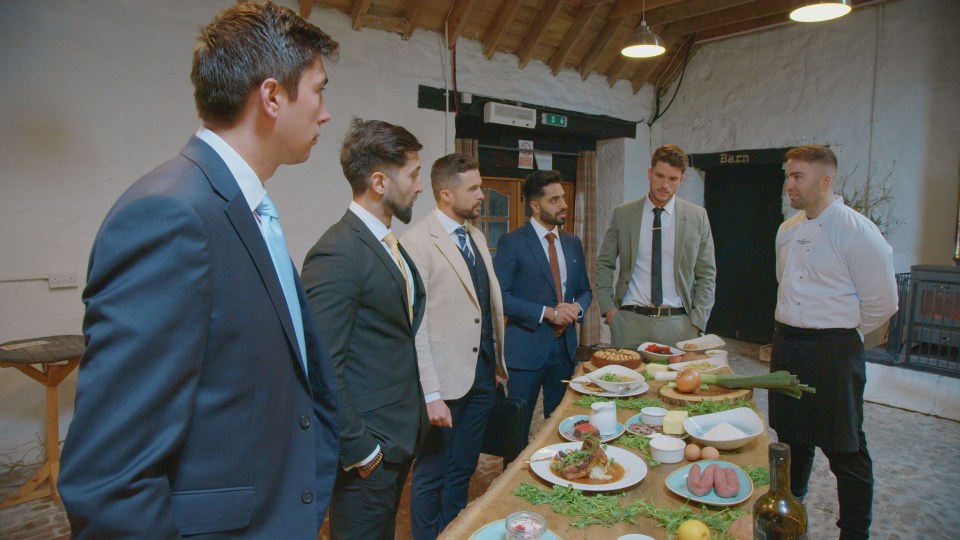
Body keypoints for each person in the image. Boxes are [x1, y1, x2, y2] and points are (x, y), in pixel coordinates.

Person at [58, 3, 340, 538]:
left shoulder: (240, 204)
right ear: (273, 97)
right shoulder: (171, 215)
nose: (325, 113)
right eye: (319, 90)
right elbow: (111, 476)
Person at [302, 118, 430, 540]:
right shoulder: (337, 252)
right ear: (379, 181)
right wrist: (361, 450)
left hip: (397, 437)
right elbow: (321, 367)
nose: (418, 186)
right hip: (369, 451)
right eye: (412, 175)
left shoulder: (385, 242)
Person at [770, 145, 897, 539]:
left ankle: (854, 531)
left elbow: (883, 303)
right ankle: (790, 514)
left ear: (826, 180)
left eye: (798, 176)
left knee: (846, 449)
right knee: (792, 441)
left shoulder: (858, 231)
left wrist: (842, 334)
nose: (789, 184)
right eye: (788, 175)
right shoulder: (787, 230)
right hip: (788, 345)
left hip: (834, 353)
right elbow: (784, 285)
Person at [402, 154, 508, 539]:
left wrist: (496, 366)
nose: (483, 195)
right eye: (474, 189)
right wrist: (430, 393)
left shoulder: (476, 235)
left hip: (482, 378)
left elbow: (484, 306)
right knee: (432, 473)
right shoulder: (416, 242)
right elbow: (417, 327)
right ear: (446, 194)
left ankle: (454, 532)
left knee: (462, 468)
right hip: (443, 385)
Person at [494, 170, 592, 430]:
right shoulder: (512, 243)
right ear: (535, 206)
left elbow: (585, 290)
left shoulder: (572, 242)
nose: (564, 205)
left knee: (560, 425)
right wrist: (547, 313)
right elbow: (500, 298)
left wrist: (576, 307)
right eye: (555, 200)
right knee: (516, 429)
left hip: (566, 350)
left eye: (563, 198)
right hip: (525, 350)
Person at [596, 144, 716, 348]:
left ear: (681, 180)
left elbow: (707, 273)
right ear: (649, 173)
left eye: (673, 179)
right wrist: (609, 310)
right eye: (660, 176)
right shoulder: (624, 214)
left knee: (675, 381)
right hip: (629, 322)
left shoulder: (697, 216)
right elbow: (604, 263)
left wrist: (697, 322)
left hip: (678, 324)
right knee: (626, 379)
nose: (665, 185)